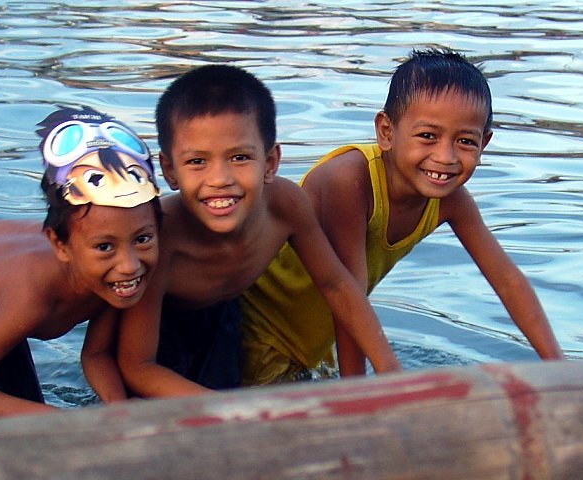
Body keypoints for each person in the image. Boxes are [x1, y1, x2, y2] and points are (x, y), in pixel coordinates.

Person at [240, 48, 565, 386]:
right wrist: (359, 394)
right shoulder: (347, 180)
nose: (445, 157)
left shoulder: (452, 201)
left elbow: (508, 281)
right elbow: (348, 291)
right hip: (256, 335)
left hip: (309, 346)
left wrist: (560, 368)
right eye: (427, 136)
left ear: (485, 143)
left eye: (465, 141)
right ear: (386, 131)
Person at [115, 64, 402, 397]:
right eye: (197, 162)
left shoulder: (285, 205)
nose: (220, 179)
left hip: (228, 320)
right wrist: (222, 409)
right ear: (169, 170)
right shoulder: (159, 235)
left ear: (270, 162)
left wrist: (389, 372)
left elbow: (338, 285)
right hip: (162, 334)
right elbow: (137, 365)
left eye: (239, 157)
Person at [0, 106, 161, 416]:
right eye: (105, 246)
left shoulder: (108, 275)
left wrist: (119, 411)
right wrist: (55, 420)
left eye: (142, 239)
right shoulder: (31, 299)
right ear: (60, 244)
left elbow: (96, 355)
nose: (129, 265)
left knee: (24, 405)